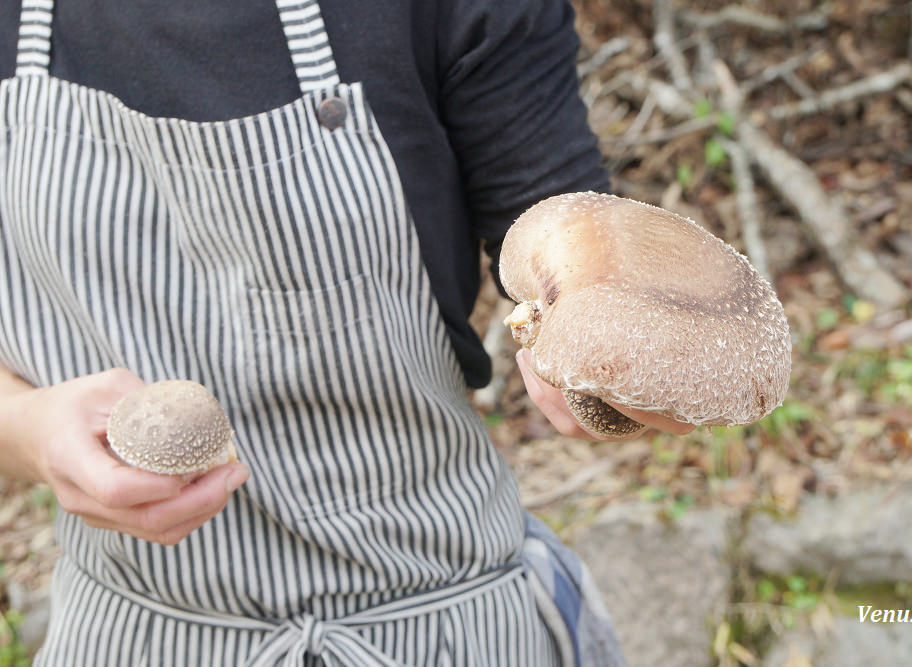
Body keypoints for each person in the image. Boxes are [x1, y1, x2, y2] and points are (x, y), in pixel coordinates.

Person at [0, 1, 692, 664]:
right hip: (127, 633)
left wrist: (606, 350)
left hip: (442, 629)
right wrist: (25, 427)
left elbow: (569, 251)